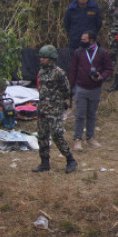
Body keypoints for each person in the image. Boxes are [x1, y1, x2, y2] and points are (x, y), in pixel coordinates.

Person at [33, 45, 78, 173]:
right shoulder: (40, 72)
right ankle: (44, 162)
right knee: (42, 136)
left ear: (52, 58)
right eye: (41, 57)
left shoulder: (59, 73)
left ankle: (70, 159)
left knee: (57, 135)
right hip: (42, 109)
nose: (41, 60)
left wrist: (62, 103)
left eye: (44, 58)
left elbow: (66, 90)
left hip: (54, 110)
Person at [70, 31, 113, 149]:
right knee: (79, 115)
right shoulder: (78, 52)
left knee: (92, 114)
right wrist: (70, 86)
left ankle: (90, 138)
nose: (81, 41)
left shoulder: (102, 53)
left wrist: (101, 76)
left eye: (84, 40)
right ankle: (77, 139)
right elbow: (73, 70)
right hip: (80, 88)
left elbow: (109, 69)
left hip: (95, 89)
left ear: (92, 40)